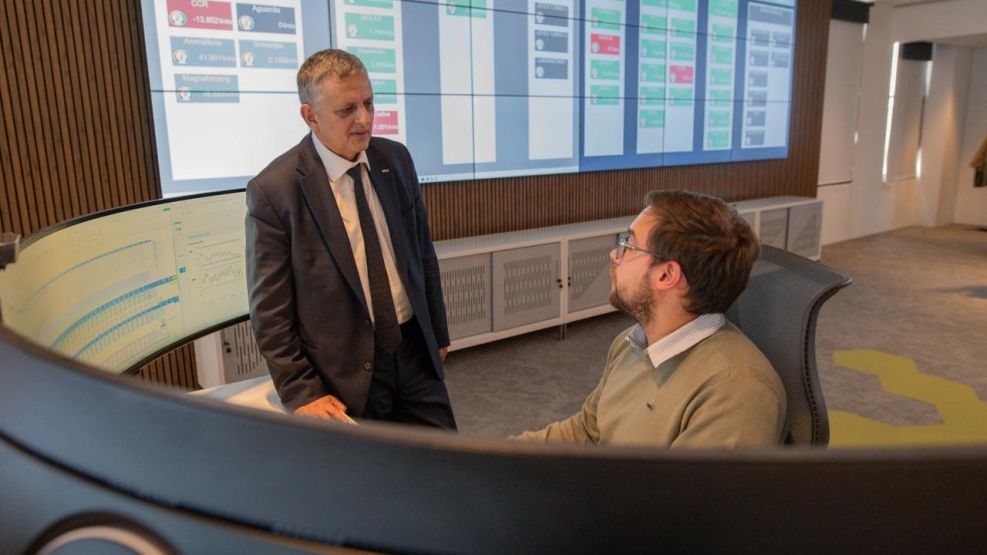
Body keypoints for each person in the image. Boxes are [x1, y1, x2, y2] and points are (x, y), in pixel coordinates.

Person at [245, 49, 456, 429]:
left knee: (446, 469)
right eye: (347, 110)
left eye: (369, 103)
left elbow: (421, 252)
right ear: (310, 116)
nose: (365, 119)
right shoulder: (276, 191)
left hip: (413, 350)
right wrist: (301, 390)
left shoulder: (396, 159)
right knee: (370, 481)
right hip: (343, 372)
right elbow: (270, 311)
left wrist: (436, 331)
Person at [514, 190, 786, 447]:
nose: (615, 255)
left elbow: (682, 497)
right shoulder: (633, 342)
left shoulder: (736, 392)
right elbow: (587, 430)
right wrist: (497, 457)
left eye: (629, 246)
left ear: (667, 275)